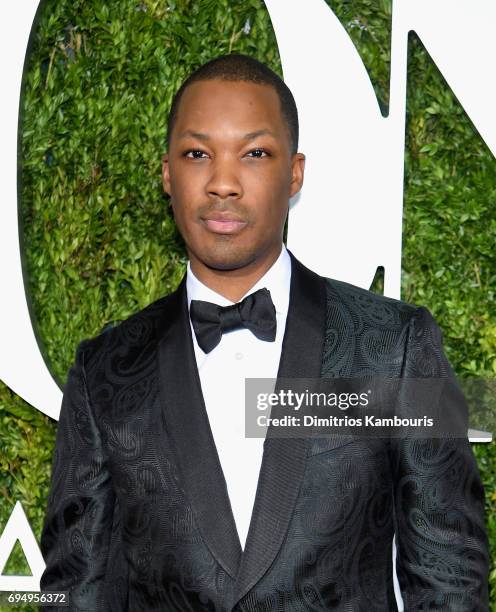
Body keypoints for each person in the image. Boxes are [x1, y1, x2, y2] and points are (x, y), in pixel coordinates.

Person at [39, 53, 489, 611]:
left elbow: (449, 577)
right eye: (197, 153)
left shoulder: (393, 348)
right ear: (166, 173)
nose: (223, 183)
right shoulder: (105, 370)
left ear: (294, 172)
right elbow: (71, 590)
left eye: (254, 154)